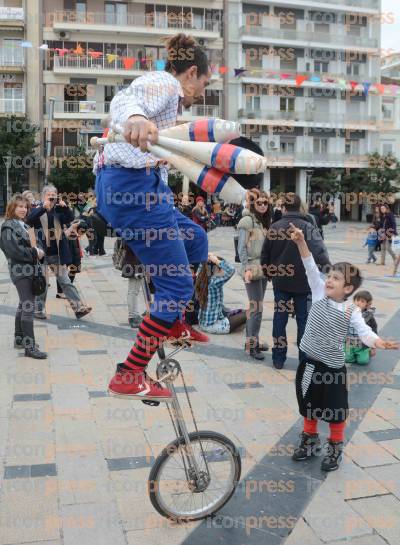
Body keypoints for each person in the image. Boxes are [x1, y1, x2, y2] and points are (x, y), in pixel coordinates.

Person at [94, 33, 214, 401]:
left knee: (197, 239)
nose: (201, 93)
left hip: (144, 188)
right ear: (192, 73)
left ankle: (173, 320)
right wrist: (133, 117)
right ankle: (130, 373)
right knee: (177, 287)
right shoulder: (164, 82)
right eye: (205, 83)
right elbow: (127, 97)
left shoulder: (170, 101)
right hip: (131, 188)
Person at [289, 223, 398, 471]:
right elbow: (308, 263)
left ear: (348, 289)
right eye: (330, 276)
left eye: (336, 279)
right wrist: (300, 242)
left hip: (333, 370)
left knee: (336, 411)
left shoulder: (351, 310)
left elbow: (364, 332)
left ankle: (335, 447)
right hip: (309, 363)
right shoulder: (318, 292)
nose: (329, 280)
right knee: (308, 404)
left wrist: (379, 342)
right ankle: (310, 439)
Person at [261, 194, 330, 369]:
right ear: (300, 208)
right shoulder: (308, 227)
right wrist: (327, 273)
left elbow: (265, 255)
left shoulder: (274, 227)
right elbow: (321, 253)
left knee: (279, 319)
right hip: (304, 283)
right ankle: (303, 360)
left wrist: (269, 274)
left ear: (283, 207)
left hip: (281, 283)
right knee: (303, 321)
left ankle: (278, 358)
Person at [26, 185, 92, 320]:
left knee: (66, 281)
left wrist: (65, 207)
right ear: (44, 196)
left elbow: (69, 219)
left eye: (54, 195)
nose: (51, 198)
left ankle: (79, 308)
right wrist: (43, 207)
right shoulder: (37, 208)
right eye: (49, 195)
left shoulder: (59, 209)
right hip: (41, 254)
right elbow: (30, 220)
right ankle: (38, 310)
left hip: (57, 253)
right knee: (42, 283)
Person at [0, 194, 47, 359]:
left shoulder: (26, 225)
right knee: (28, 307)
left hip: (31, 271)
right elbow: (14, 252)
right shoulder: (8, 227)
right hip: (21, 272)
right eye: (19, 206)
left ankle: (19, 338)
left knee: (23, 303)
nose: (23, 209)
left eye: (25, 207)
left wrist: (40, 251)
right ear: (12, 208)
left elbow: (37, 245)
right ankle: (29, 347)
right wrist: (35, 252)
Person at [237, 189, 271, 360]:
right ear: (252, 203)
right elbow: (241, 248)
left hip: (262, 268)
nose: (263, 205)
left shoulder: (263, 220)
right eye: (259, 202)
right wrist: (246, 268)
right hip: (252, 267)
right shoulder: (247, 220)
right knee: (256, 308)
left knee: (255, 307)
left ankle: (252, 341)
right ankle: (251, 346)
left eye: (265, 202)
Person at [195, 253, 246, 334]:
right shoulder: (214, 283)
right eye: (220, 268)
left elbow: (202, 266)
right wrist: (216, 260)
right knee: (248, 314)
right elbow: (231, 269)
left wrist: (207, 257)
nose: (222, 270)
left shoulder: (201, 279)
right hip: (214, 326)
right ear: (215, 270)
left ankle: (234, 326)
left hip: (203, 323)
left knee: (235, 312)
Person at [345, 290, 378, 365]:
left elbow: (374, 332)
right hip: (349, 342)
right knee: (347, 359)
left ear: (367, 305)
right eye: (357, 300)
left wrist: (373, 347)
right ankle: (350, 353)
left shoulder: (369, 317)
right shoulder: (348, 312)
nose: (358, 303)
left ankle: (366, 352)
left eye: (362, 301)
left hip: (362, 344)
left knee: (363, 361)